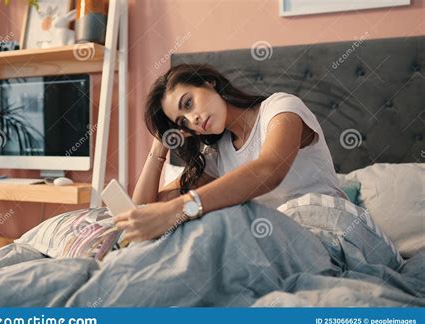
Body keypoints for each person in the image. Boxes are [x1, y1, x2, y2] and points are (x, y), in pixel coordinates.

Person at [113, 64, 347, 242]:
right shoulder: (218, 154)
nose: (192, 119)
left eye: (188, 103)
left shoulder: (281, 109)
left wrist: (179, 210)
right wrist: (160, 143)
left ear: (209, 83)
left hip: (329, 230)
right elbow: (145, 210)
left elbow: (268, 169)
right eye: (182, 121)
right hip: (276, 244)